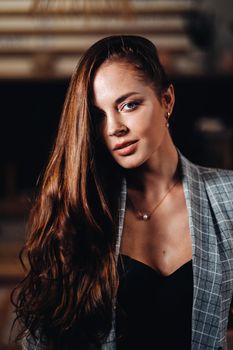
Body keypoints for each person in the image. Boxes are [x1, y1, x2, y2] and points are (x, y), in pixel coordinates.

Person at [12, 35, 233, 350]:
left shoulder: (228, 196)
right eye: (99, 115)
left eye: (129, 104)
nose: (114, 127)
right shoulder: (79, 208)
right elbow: (41, 340)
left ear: (167, 100)